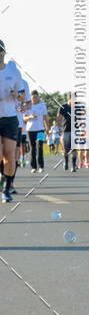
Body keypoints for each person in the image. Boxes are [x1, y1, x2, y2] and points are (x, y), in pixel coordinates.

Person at [0, 40, 26, 203]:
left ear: (4, 52)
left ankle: (6, 189)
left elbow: (23, 97)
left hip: (10, 118)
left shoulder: (13, 71)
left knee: (10, 155)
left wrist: (17, 95)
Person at [23, 90, 49, 174]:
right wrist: (30, 117)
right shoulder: (27, 105)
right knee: (32, 148)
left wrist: (47, 128)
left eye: (36, 97)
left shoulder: (42, 105)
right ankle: (33, 167)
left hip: (40, 129)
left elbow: (45, 117)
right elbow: (24, 118)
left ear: (38, 97)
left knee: (40, 147)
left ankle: (41, 166)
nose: (35, 99)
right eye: (33, 98)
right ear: (31, 98)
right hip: (30, 130)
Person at [58, 93, 77, 172]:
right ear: (68, 99)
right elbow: (59, 118)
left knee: (74, 149)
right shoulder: (63, 107)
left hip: (75, 131)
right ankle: (66, 161)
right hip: (65, 130)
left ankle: (73, 165)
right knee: (66, 149)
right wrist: (59, 128)